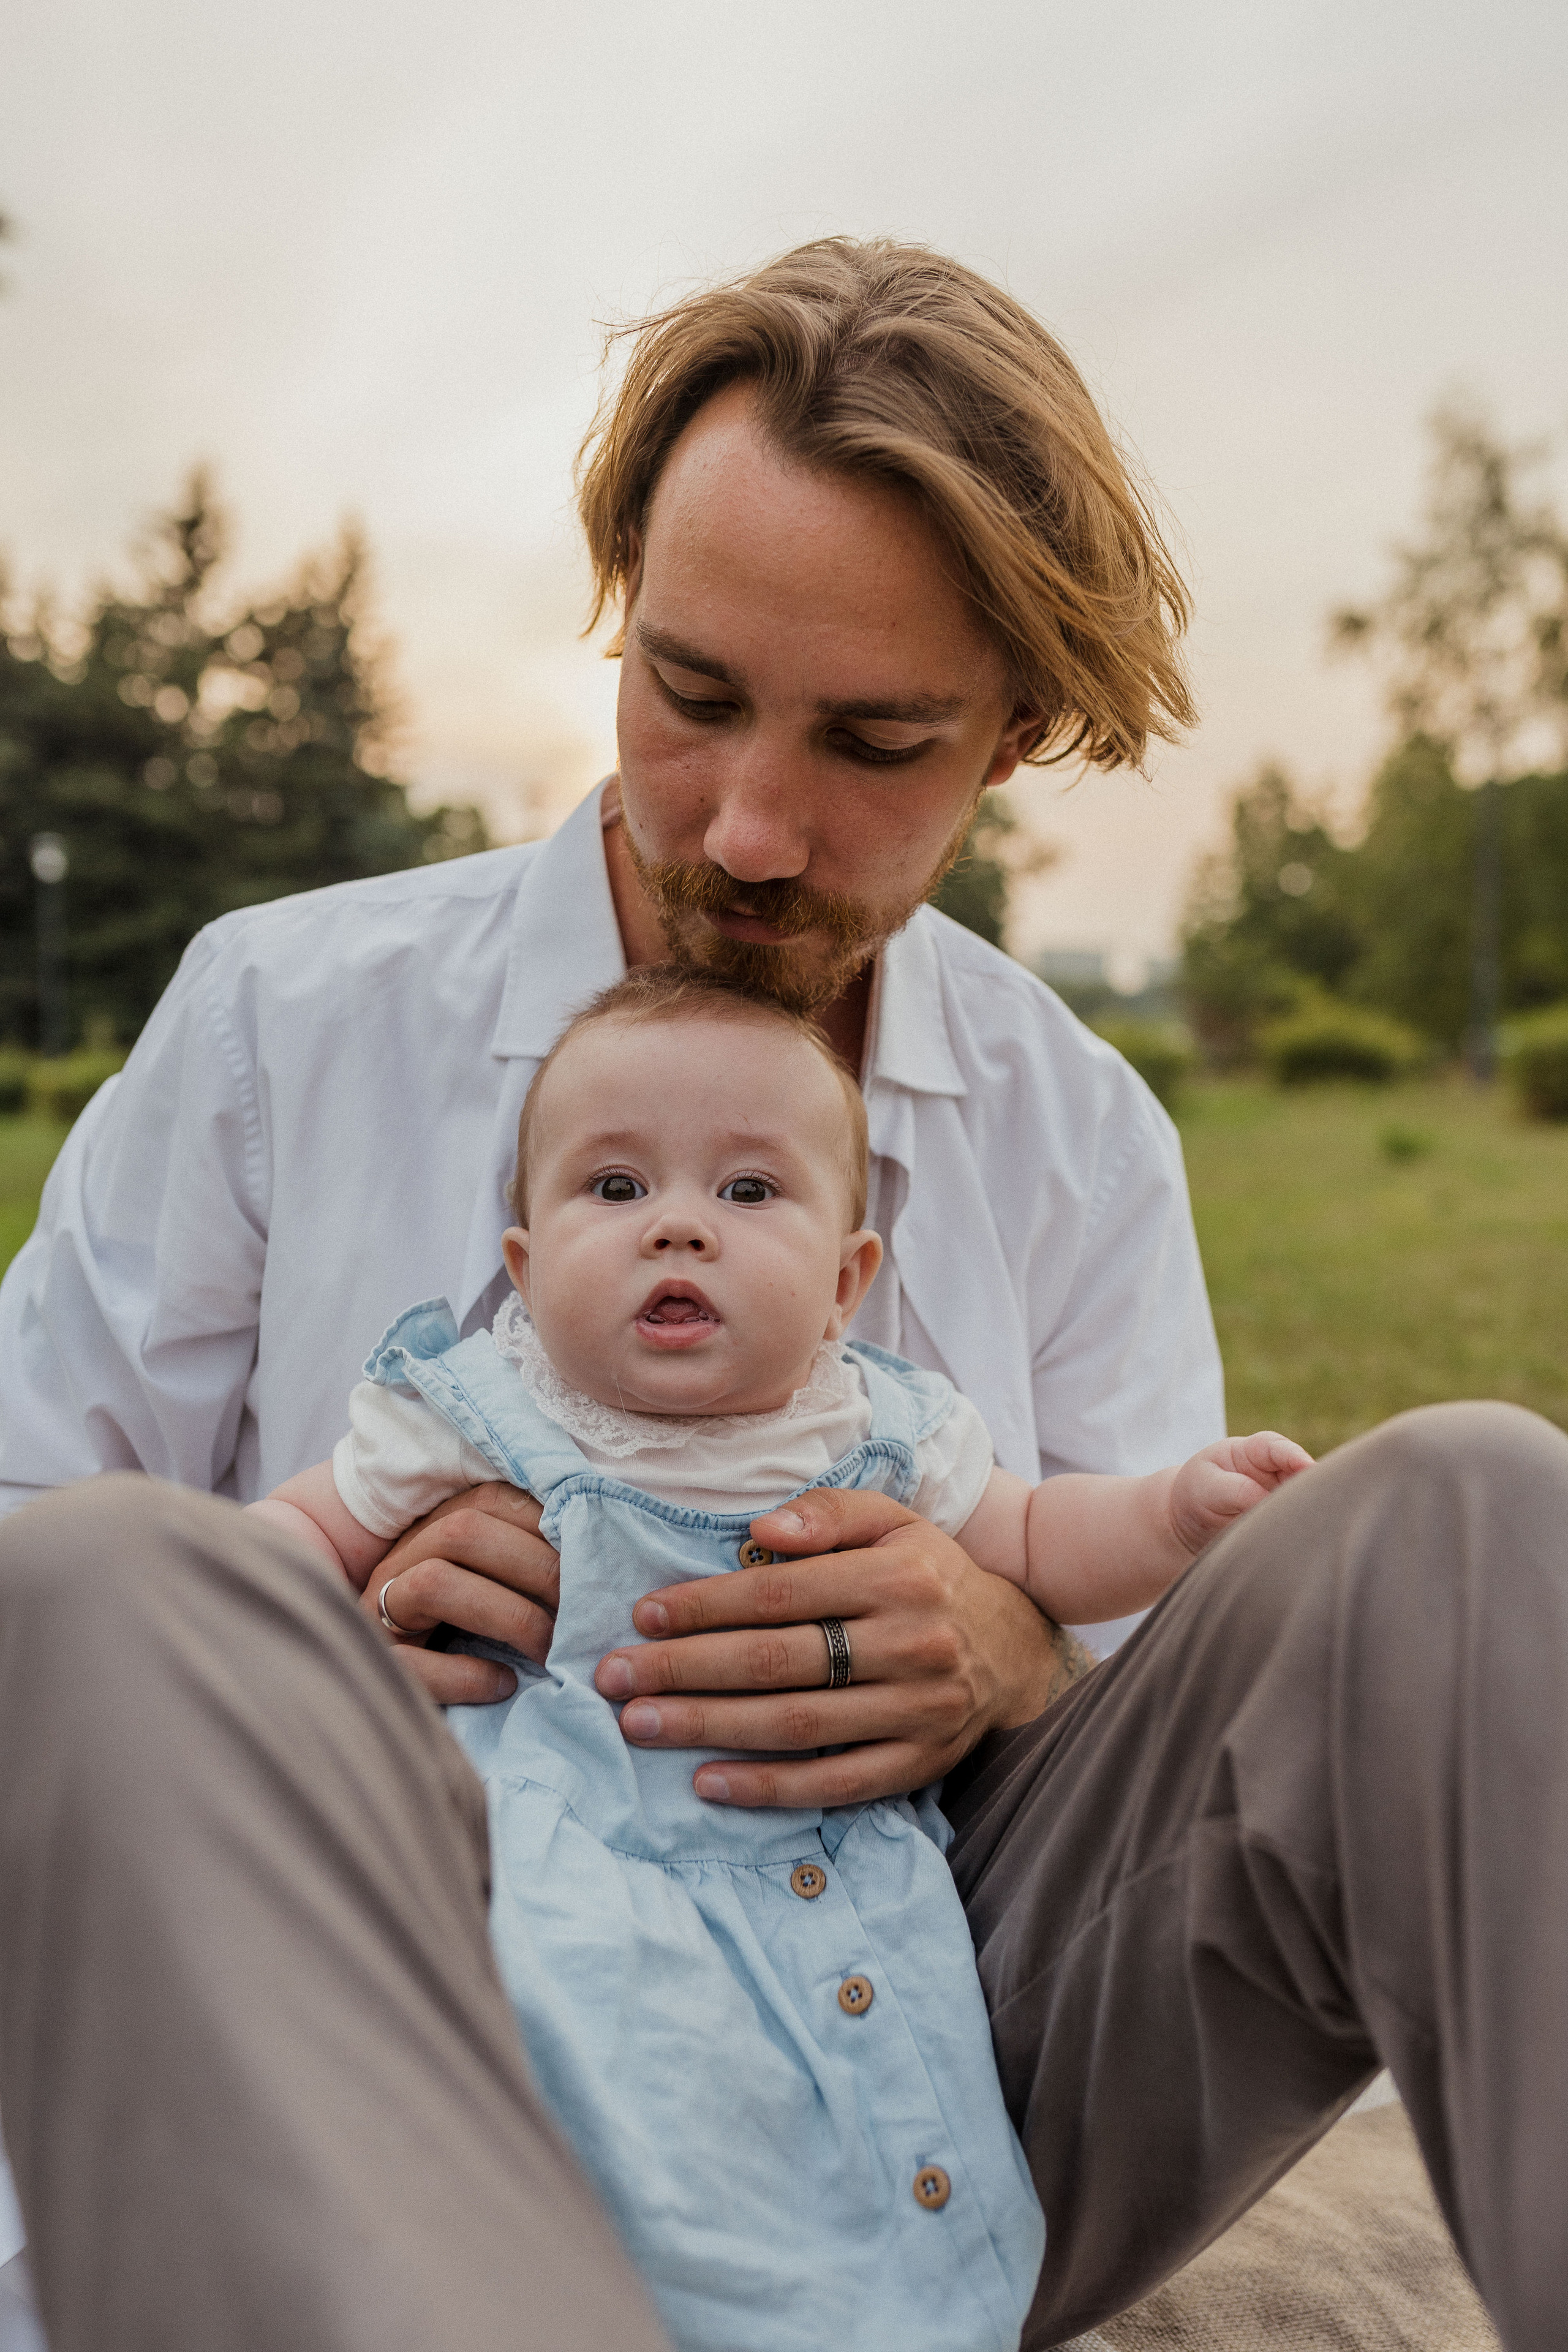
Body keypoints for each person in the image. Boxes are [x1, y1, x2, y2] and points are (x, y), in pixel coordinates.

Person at [0, 238, 1564, 2352]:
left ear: (1018, 733)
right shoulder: (284, 1022)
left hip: (911, 2075)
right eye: (691, 691)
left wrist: (1015, 1641)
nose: (743, 828)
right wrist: (287, 1648)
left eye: (875, 741)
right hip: (395, 2037)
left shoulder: (1076, 1124)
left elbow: (1175, 1691)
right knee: (105, 1587)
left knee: (1483, 1515)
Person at [246, 965, 1310, 2351]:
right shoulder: (475, 1408)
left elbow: (1042, 1536)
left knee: (817, 2154)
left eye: (748, 1194)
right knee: (549, 2121)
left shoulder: (876, 1430)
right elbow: (282, 1538)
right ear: (520, 1264)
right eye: (613, 1189)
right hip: (533, 1885)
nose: (676, 1226)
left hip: (816, 1888)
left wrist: (1171, 1510)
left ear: (844, 1282)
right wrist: (285, 1629)